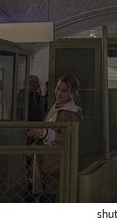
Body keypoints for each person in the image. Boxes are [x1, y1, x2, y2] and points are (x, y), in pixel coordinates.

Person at [27, 74, 83, 202]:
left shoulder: (69, 112)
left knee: (48, 198)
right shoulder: (57, 106)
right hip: (48, 163)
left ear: (72, 93)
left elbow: (69, 138)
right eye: (58, 88)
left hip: (55, 166)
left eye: (64, 91)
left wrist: (44, 133)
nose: (59, 93)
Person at [24, 75, 46, 202]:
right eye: (34, 83)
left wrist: (40, 96)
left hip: (37, 130)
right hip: (28, 131)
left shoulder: (37, 97)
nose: (37, 85)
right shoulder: (25, 97)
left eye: (38, 83)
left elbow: (40, 112)